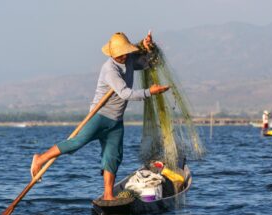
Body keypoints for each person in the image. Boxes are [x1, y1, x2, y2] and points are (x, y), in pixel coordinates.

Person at [30, 31, 169, 201]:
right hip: (100, 116)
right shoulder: (110, 69)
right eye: (120, 55)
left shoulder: (130, 59)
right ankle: (40, 158)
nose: (123, 57)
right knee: (76, 143)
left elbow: (147, 62)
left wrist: (148, 47)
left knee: (113, 156)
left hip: (116, 121)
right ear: (113, 54)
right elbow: (125, 93)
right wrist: (150, 92)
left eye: (125, 53)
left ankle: (108, 195)